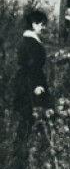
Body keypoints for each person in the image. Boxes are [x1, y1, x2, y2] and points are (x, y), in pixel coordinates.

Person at [12, 10, 50, 141]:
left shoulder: (27, 40)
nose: (43, 27)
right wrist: (37, 85)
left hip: (25, 79)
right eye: (41, 24)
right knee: (31, 113)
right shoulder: (31, 43)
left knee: (27, 113)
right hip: (31, 81)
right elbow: (33, 66)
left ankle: (24, 142)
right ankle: (25, 143)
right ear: (33, 24)